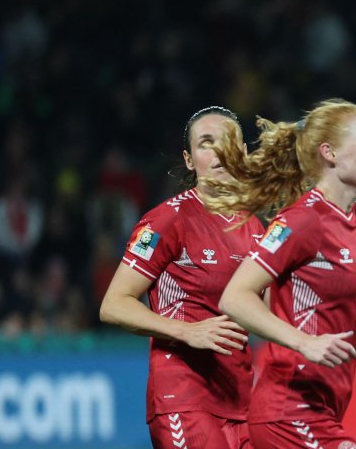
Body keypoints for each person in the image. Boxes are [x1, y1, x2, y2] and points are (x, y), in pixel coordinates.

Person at [201, 99, 356, 449]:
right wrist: (303, 342)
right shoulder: (303, 220)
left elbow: (349, 309)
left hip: (325, 409)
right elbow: (236, 297)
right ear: (329, 153)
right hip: (287, 410)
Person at [99, 106, 263, 449]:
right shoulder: (167, 220)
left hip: (242, 402)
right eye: (206, 143)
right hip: (184, 398)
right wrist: (187, 331)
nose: (219, 153)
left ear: (244, 153)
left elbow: (273, 312)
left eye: (229, 142)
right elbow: (114, 305)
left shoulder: (255, 228)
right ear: (190, 160)